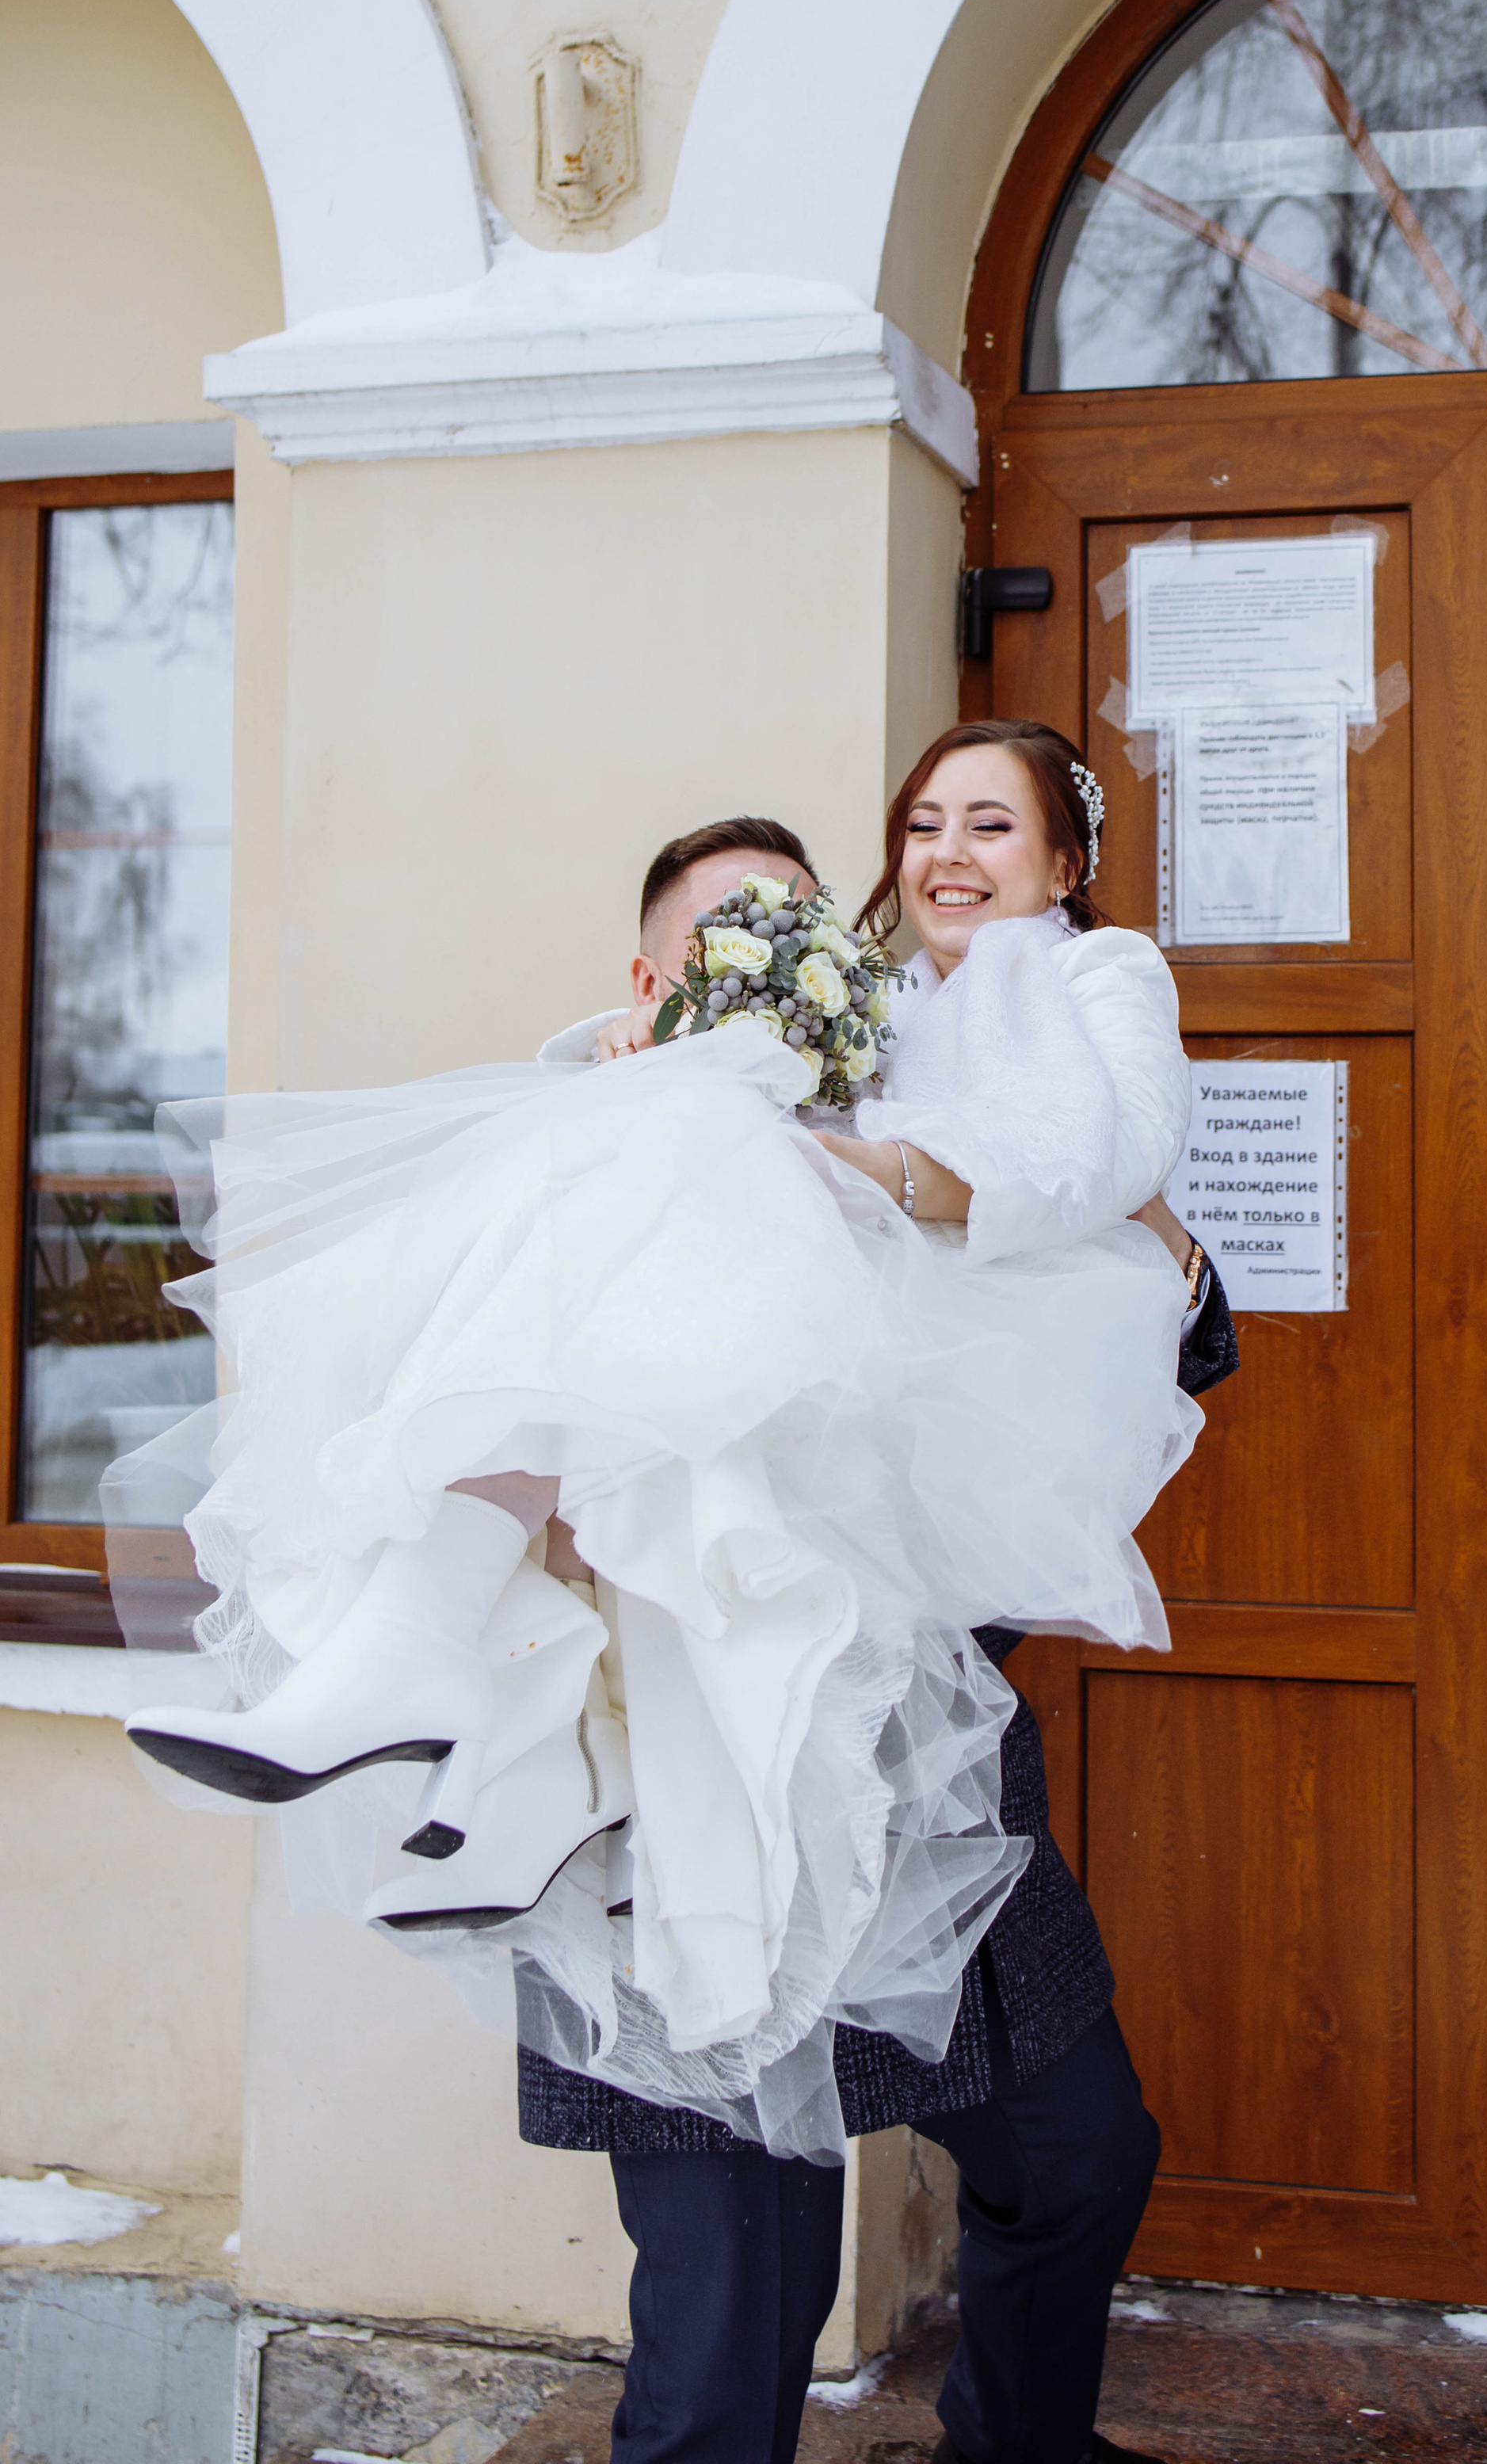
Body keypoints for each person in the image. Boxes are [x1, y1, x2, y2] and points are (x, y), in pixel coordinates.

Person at [121, 723, 1223, 2461]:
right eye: (728, 940)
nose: (783, 959)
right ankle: (434, 1733)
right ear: (648, 981)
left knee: (1083, 2157)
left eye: (802, 931)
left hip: (909, 1786)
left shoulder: (892, 1120)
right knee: (727, 2336)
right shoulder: (580, 1159)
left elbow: (1097, 1297)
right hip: (660, 1832)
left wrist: (1129, 1243)